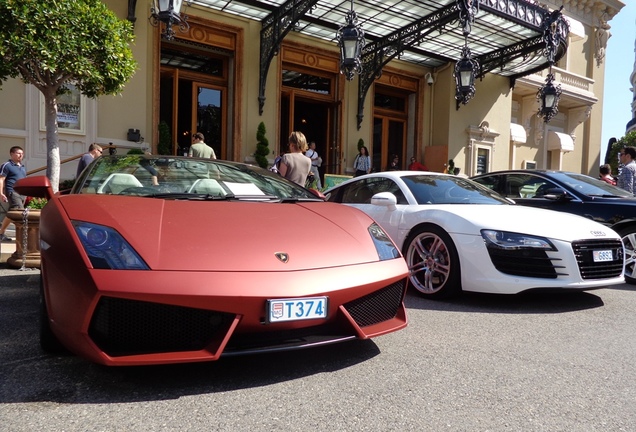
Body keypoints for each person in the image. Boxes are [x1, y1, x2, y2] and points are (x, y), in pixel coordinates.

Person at [0, 146, 27, 241]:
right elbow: (1, 179)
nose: (21, 155)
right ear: (12, 154)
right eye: (18, 153)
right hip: (12, 191)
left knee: (13, 213)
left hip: (22, 193)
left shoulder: (22, 166)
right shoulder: (7, 165)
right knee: (19, 211)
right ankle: (22, 236)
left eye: (22, 153)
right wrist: (1, 193)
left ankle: (1, 233)